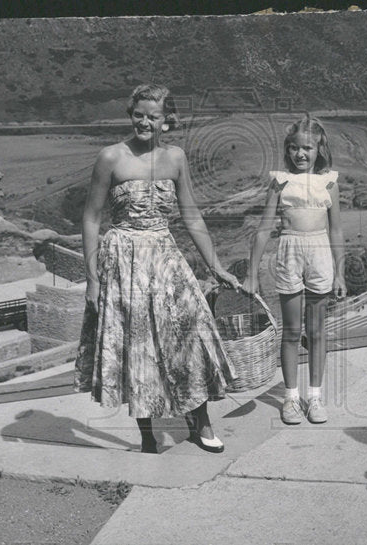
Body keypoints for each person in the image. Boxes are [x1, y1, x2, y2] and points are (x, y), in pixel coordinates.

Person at [75, 83, 240, 454]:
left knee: (190, 333)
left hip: (165, 257)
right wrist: (92, 279)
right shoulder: (111, 157)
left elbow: (191, 215)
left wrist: (216, 267)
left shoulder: (175, 158)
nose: (144, 122)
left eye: (153, 116)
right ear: (130, 115)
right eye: (139, 115)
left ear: (167, 120)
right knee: (138, 345)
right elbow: (91, 218)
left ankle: (200, 423)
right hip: (123, 259)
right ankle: (148, 434)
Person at [243, 114, 347, 425]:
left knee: (316, 331)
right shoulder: (280, 182)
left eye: (307, 148)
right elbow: (264, 228)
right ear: (287, 149)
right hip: (289, 254)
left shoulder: (330, 183)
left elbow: (336, 230)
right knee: (291, 331)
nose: (300, 154)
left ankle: (314, 397)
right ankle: (290, 398)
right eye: (294, 148)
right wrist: (251, 273)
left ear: (319, 149)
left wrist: (340, 273)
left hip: (320, 255)